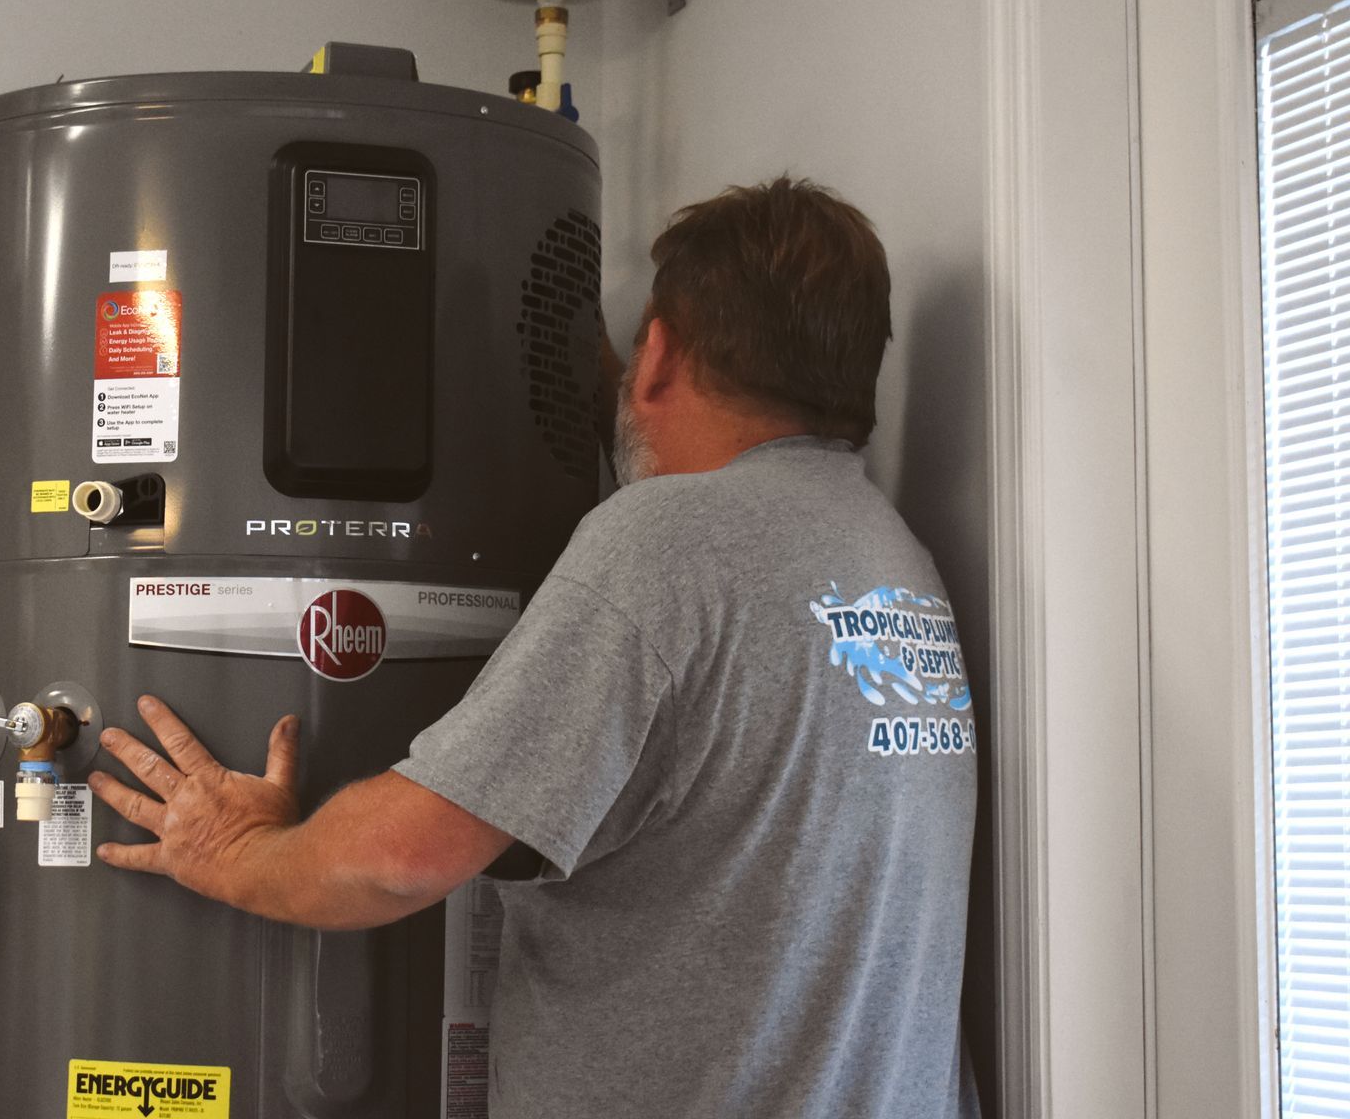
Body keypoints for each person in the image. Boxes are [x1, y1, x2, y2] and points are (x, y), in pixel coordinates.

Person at [89, 176, 981, 1117]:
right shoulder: (890, 555)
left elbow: (401, 857)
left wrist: (232, 848)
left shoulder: (663, 541)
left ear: (663, 352)